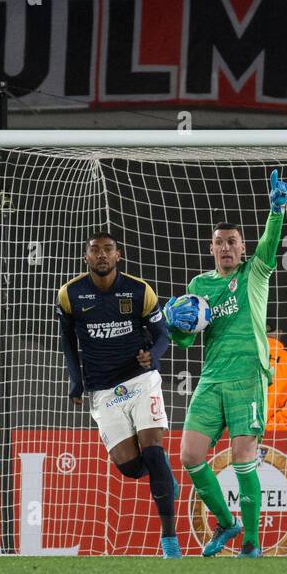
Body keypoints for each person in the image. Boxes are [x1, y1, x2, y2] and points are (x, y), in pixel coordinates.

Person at [163, 171, 287, 558]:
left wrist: (276, 211)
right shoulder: (198, 286)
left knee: (243, 458)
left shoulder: (255, 272)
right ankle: (226, 522)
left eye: (232, 242)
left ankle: (251, 543)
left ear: (242, 247)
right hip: (212, 379)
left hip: (248, 377)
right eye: (219, 243)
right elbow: (187, 341)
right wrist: (176, 328)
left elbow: (270, 244)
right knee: (189, 456)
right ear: (211, 248)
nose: (226, 248)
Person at [58, 232, 179, 557]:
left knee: (153, 451)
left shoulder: (139, 291)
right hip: (102, 390)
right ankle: (161, 473)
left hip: (141, 381)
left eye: (107, 250)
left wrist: (152, 356)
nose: (101, 255)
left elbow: (162, 335)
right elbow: (68, 342)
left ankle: (169, 541)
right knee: (130, 468)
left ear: (118, 255)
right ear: (86, 257)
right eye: (95, 250)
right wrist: (75, 380)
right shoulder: (70, 294)